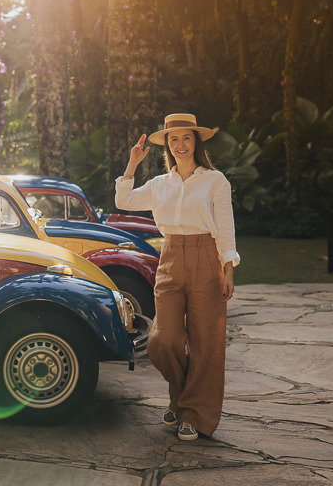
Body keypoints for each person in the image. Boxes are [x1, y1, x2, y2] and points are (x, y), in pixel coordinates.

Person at [115, 113, 239, 442]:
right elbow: (123, 200)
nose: (180, 145)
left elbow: (225, 229)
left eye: (186, 138)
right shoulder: (159, 185)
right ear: (167, 145)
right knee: (162, 341)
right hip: (170, 259)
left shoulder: (215, 181)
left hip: (205, 259)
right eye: (173, 139)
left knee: (205, 344)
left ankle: (193, 415)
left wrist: (228, 268)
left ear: (196, 141)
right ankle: (182, 399)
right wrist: (133, 164)